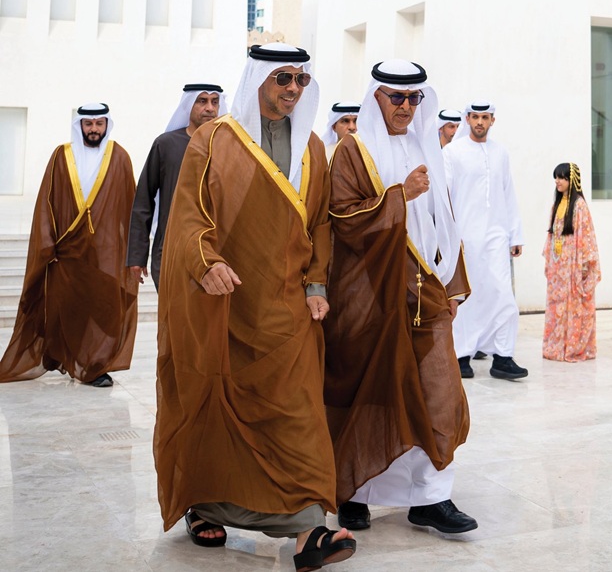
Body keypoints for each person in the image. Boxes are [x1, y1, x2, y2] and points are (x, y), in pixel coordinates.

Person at [153, 43, 356, 570]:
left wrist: (316, 285)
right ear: (260, 79)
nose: (292, 89)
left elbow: (320, 225)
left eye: (301, 81)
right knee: (215, 412)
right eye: (283, 78)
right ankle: (204, 503)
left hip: (289, 310)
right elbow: (188, 217)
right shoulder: (212, 140)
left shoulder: (313, 147)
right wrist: (205, 263)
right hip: (224, 309)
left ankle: (310, 528)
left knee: (298, 415)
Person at [324, 59, 477, 536]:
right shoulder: (352, 150)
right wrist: (399, 195)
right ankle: (354, 495)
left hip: (424, 288)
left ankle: (431, 497)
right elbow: (342, 218)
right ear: (376, 98)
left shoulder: (425, 144)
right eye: (397, 98)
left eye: (414, 99)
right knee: (369, 393)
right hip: (367, 293)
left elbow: (445, 219)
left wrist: (453, 283)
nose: (407, 107)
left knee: (438, 390)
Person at [0, 103, 138, 388]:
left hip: (105, 252)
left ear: (106, 125)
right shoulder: (62, 156)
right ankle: (63, 357)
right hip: (66, 250)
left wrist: (133, 251)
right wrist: (47, 243)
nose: (94, 129)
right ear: (80, 125)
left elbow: (130, 206)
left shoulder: (120, 157)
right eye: (89, 124)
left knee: (103, 308)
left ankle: (95, 365)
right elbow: (46, 202)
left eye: (99, 124)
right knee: (67, 307)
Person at [444, 100, 528, 380]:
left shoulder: (501, 153)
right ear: (467, 119)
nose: (480, 122)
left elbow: (509, 193)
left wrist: (515, 233)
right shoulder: (453, 152)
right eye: (475, 116)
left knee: (503, 293)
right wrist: (448, 237)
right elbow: (445, 197)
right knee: (466, 296)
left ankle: (503, 357)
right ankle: (461, 355)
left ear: (493, 120)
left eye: (485, 117)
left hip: (496, 236)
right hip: (464, 237)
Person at [127, 83, 222, 289]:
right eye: (202, 101)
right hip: (170, 248)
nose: (210, 108)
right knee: (173, 317)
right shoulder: (166, 144)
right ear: (188, 105)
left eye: (215, 102)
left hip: (217, 251)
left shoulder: (228, 145)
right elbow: (144, 200)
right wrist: (137, 255)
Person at [542, 162, 601, 362]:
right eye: (556, 178)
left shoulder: (579, 207)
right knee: (556, 306)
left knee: (574, 306)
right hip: (558, 267)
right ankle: (556, 347)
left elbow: (586, 238)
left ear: (571, 180)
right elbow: (551, 237)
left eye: (562, 177)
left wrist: (584, 268)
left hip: (573, 267)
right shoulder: (556, 205)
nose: (558, 181)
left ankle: (574, 346)